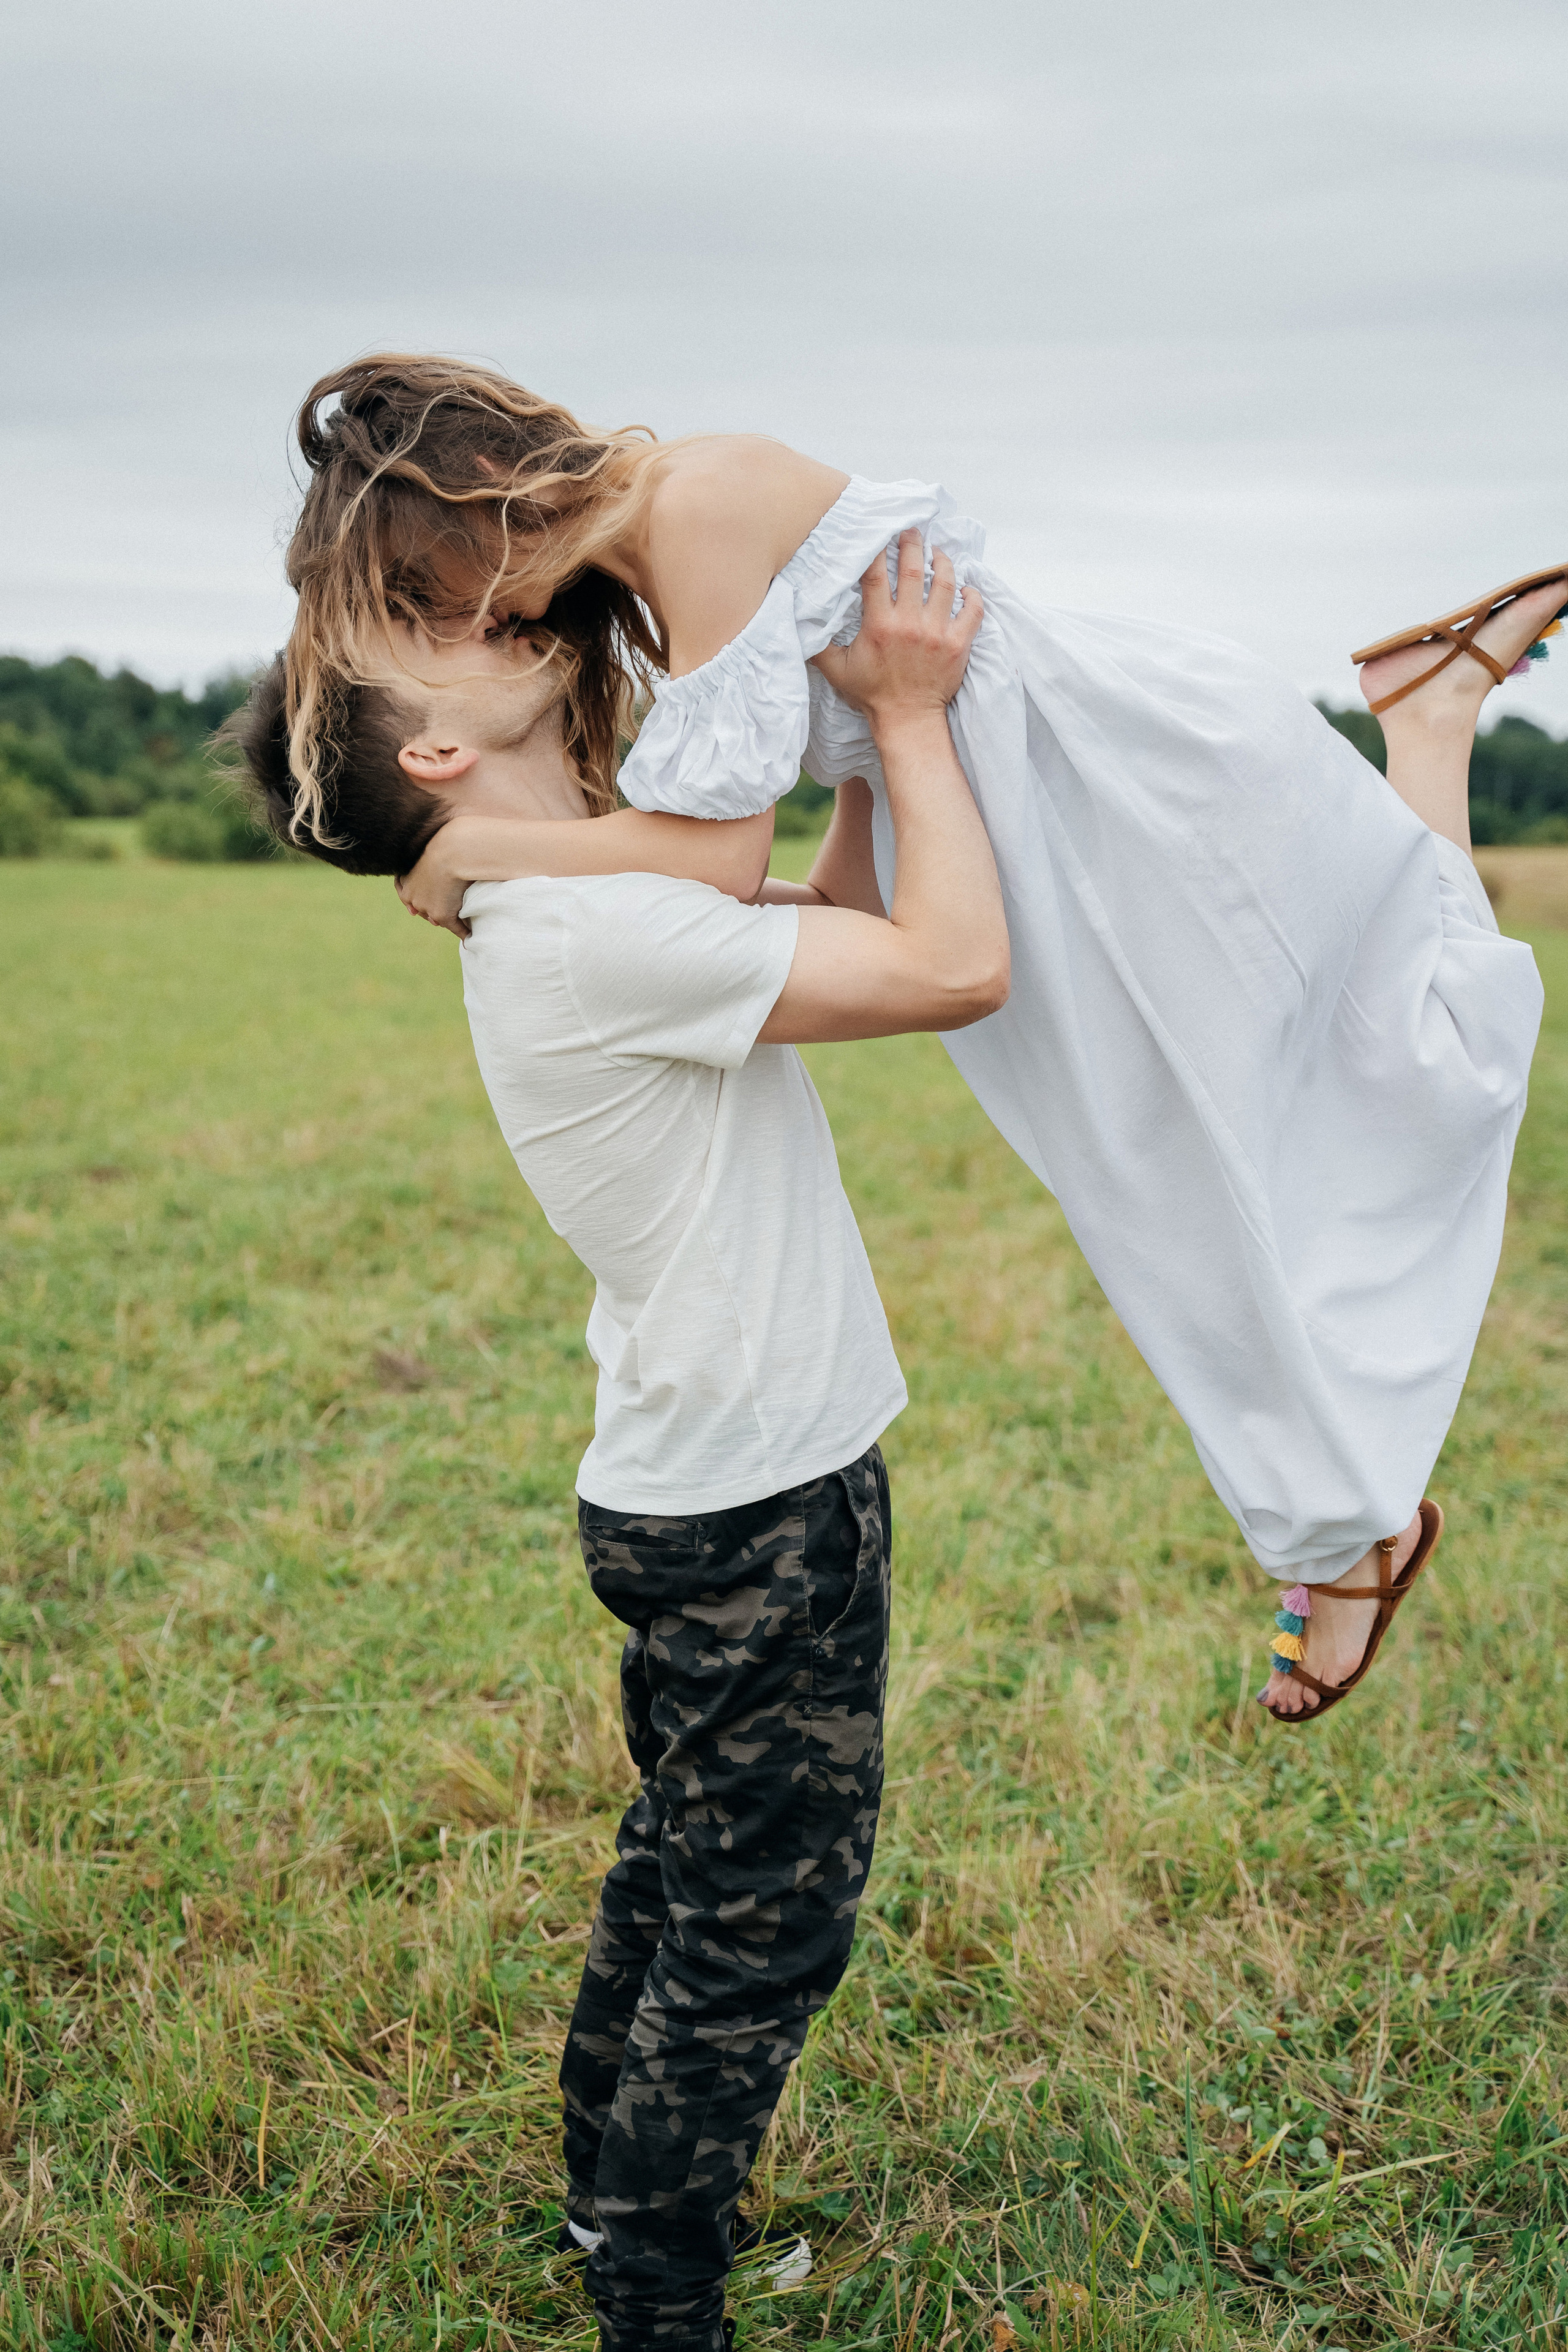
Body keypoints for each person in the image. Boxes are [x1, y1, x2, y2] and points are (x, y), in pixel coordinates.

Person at [265, 353, 1550, 1724]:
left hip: (1100, 782)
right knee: (1186, 1168)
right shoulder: (652, 558)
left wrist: (479, 848)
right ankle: (1431, 716)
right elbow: (806, 878)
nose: (462, 622)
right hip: (1026, 824)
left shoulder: (690, 507)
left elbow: (715, 864)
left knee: (1301, 1114)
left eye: (425, 592)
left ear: (475, 495)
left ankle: (1341, 1530)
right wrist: (878, 742)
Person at [233, 535, 1004, 2352]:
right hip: (759, 1502)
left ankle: (612, 2202)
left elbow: (828, 915)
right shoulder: (592, 926)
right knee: (761, 1921)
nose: (490, 614)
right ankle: (657, 2297)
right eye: (436, 630)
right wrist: (910, 719)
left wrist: (855, 753)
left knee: (685, 1864)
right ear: (435, 751)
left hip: (704, 1481)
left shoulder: (566, 905)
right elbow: (958, 966)